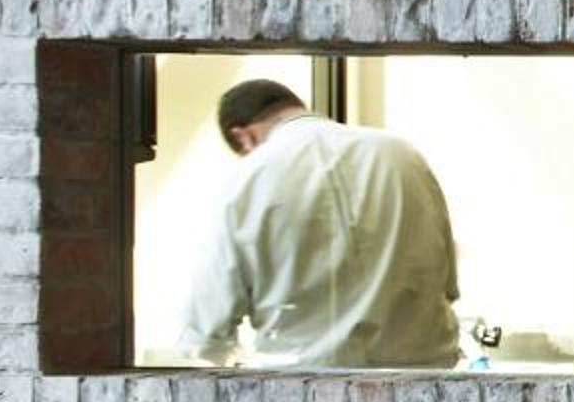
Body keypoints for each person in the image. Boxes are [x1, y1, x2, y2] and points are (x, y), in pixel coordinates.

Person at [175, 79, 462, 369]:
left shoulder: (248, 177)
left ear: (244, 137)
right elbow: (447, 279)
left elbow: (207, 324)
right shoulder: (401, 153)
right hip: (421, 373)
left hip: (304, 379)